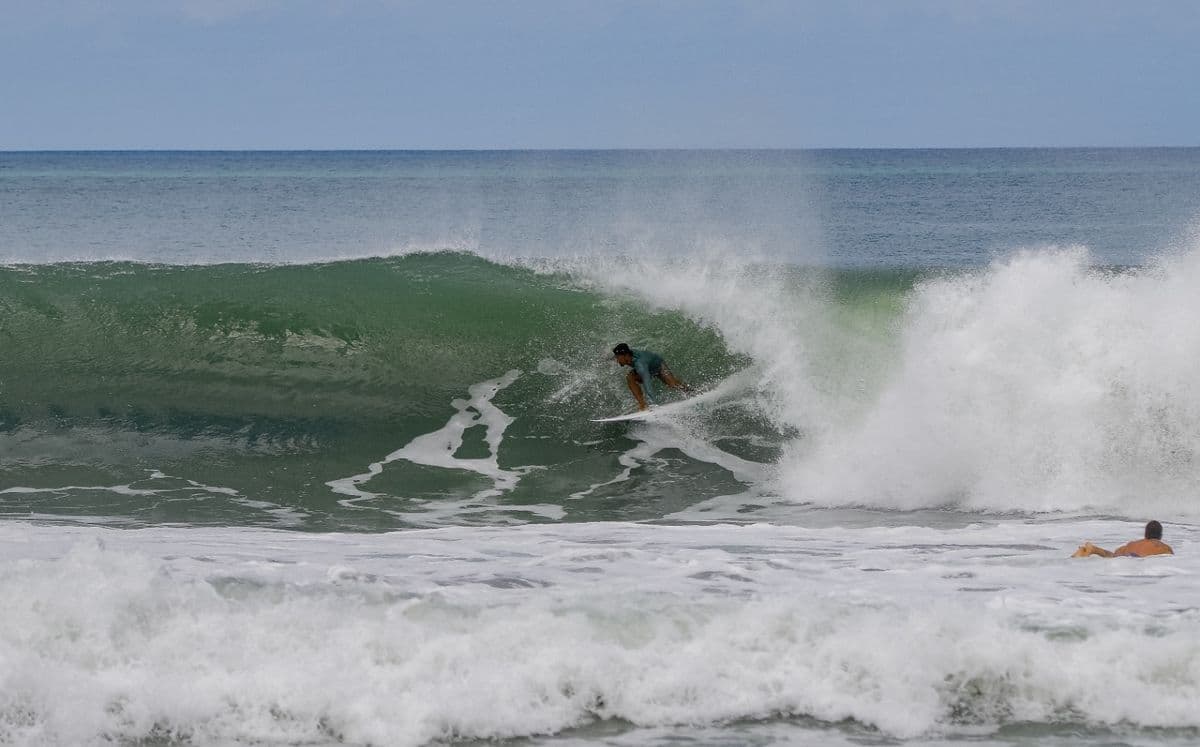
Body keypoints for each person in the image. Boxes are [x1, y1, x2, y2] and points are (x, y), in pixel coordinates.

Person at [611, 342, 690, 411]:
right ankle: (643, 405)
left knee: (672, 384)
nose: (617, 360)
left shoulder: (640, 365)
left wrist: (655, 405)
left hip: (659, 367)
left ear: (626, 355)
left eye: (618, 357)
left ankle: (690, 391)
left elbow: (647, 385)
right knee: (630, 377)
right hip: (647, 367)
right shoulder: (627, 357)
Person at [1072, 520, 1174, 558]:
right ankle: (1094, 550)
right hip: (1138, 559)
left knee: (1112, 556)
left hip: (1128, 554)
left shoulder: (1132, 544)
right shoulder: (1164, 548)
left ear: (1145, 534)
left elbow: (1115, 554)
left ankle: (1094, 550)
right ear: (1160, 535)